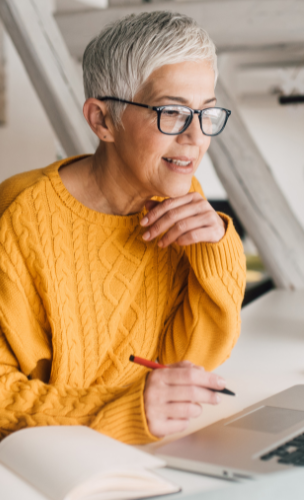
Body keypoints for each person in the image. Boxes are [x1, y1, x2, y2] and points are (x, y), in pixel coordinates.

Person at [0, 12, 246, 444]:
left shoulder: (179, 199)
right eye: (172, 112)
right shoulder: (18, 216)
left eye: (206, 113)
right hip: (39, 465)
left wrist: (216, 247)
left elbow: (188, 363)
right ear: (102, 121)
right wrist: (118, 413)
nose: (195, 138)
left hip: (149, 447)